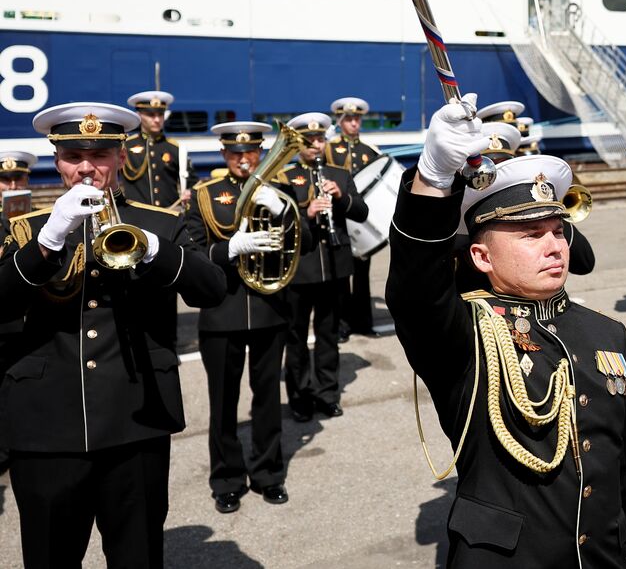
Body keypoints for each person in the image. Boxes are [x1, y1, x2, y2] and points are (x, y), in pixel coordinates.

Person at [386, 97, 626, 567]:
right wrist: (431, 179)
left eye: (557, 230)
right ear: (482, 258)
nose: (554, 246)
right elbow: (415, 293)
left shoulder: (606, 333)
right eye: (531, 236)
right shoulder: (466, 334)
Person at [0, 102, 223, 567]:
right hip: (46, 430)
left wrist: (153, 249)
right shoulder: (24, 229)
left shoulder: (161, 223)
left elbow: (212, 289)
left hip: (134, 422)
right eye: (74, 155)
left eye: (100, 155)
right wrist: (49, 240)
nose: (87, 167)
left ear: (122, 156)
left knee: (137, 556)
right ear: (56, 159)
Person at [184, 121, 296, 513]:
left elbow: (306, 245)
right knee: (223, 402)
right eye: (235, 153)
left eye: (250, 153)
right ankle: (227, 478)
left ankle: (268, 473)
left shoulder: (279, 192)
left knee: (267, 399)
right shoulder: (205, 195)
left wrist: (283, 212)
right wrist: (231, 247)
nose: (243, 159)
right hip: (222, 313)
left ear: (261, 153)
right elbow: (194, 252)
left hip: (270, 310)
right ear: (223, 154)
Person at [282, 112, 368, 421]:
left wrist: (341, 197)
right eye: (310, 141)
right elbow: (277, 222)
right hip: (299, 268)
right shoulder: (285, 176)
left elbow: (361, 211)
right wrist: (306, 213)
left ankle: (327, 393)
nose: (316, 145)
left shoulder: (339, 173)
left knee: (328, 333)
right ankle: (301, 396)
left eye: (320, 139)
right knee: (295, 335)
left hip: (335, 265)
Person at [327, 96, 382, 338]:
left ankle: (363, 323)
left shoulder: (369, 151)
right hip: (337, 218)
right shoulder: (328, 148)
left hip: (360, 218)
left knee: (362, 275)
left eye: (357, 119)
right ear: (340, 121)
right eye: (349, 119)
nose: (354, 123)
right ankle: (341, 326)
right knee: (339, 277)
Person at [0, 149, 37, 477]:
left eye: (17, 178)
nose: (11, 184)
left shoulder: (41, 218)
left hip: (27, 325)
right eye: (5, 179)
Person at [121, 90, 187, 209]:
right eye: (151, 115)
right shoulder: (126, 146)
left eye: (160, 114)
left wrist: (188, 192)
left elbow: (192, 183)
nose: (157, 120)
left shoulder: (175, 148)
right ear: (139, 115)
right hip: (136, 217)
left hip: (169, 215)